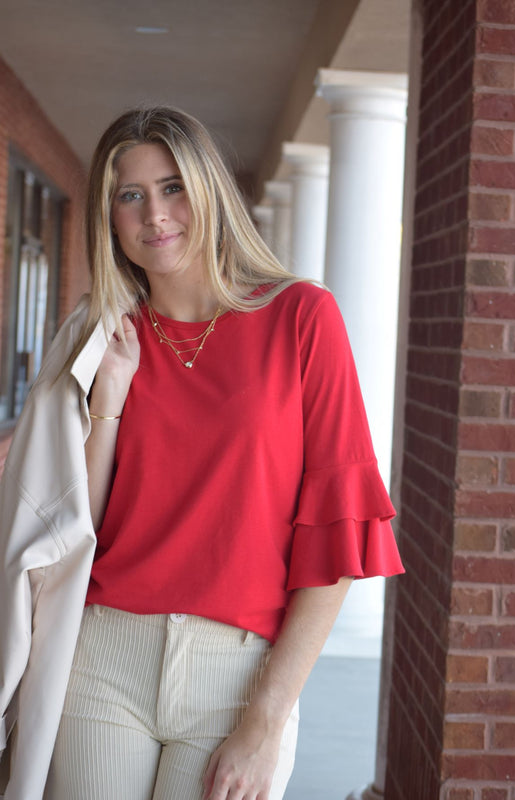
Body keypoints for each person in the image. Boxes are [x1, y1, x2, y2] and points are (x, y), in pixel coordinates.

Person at [0, 105, 404, 800]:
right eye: (131, 195)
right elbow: (77, 520)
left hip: (236, 672)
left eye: (173, 187)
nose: (155, 214)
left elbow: (336, 538)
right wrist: (111, 398)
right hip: (102, 656)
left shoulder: (301, 318)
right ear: (110, 217)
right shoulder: (98, 333)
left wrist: (267, 718)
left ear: (208, 191)